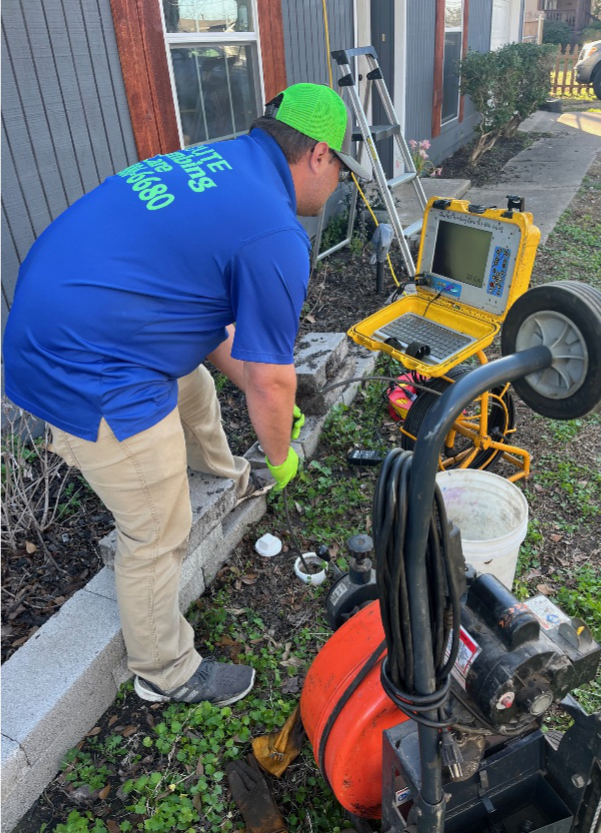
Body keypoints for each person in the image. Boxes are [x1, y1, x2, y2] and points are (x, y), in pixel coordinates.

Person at [2, 83, 369, 707]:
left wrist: (267, 387)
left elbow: (218, 332)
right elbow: (268, 377)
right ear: (318, 156)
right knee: (155, 530)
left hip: (73, 317)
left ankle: (227, 474)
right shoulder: (274, 232)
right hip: (85, 365)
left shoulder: (224, 163)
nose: (338, 185)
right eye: (340, 170)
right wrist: (282, 454)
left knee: (192, 384)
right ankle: (164, 671)